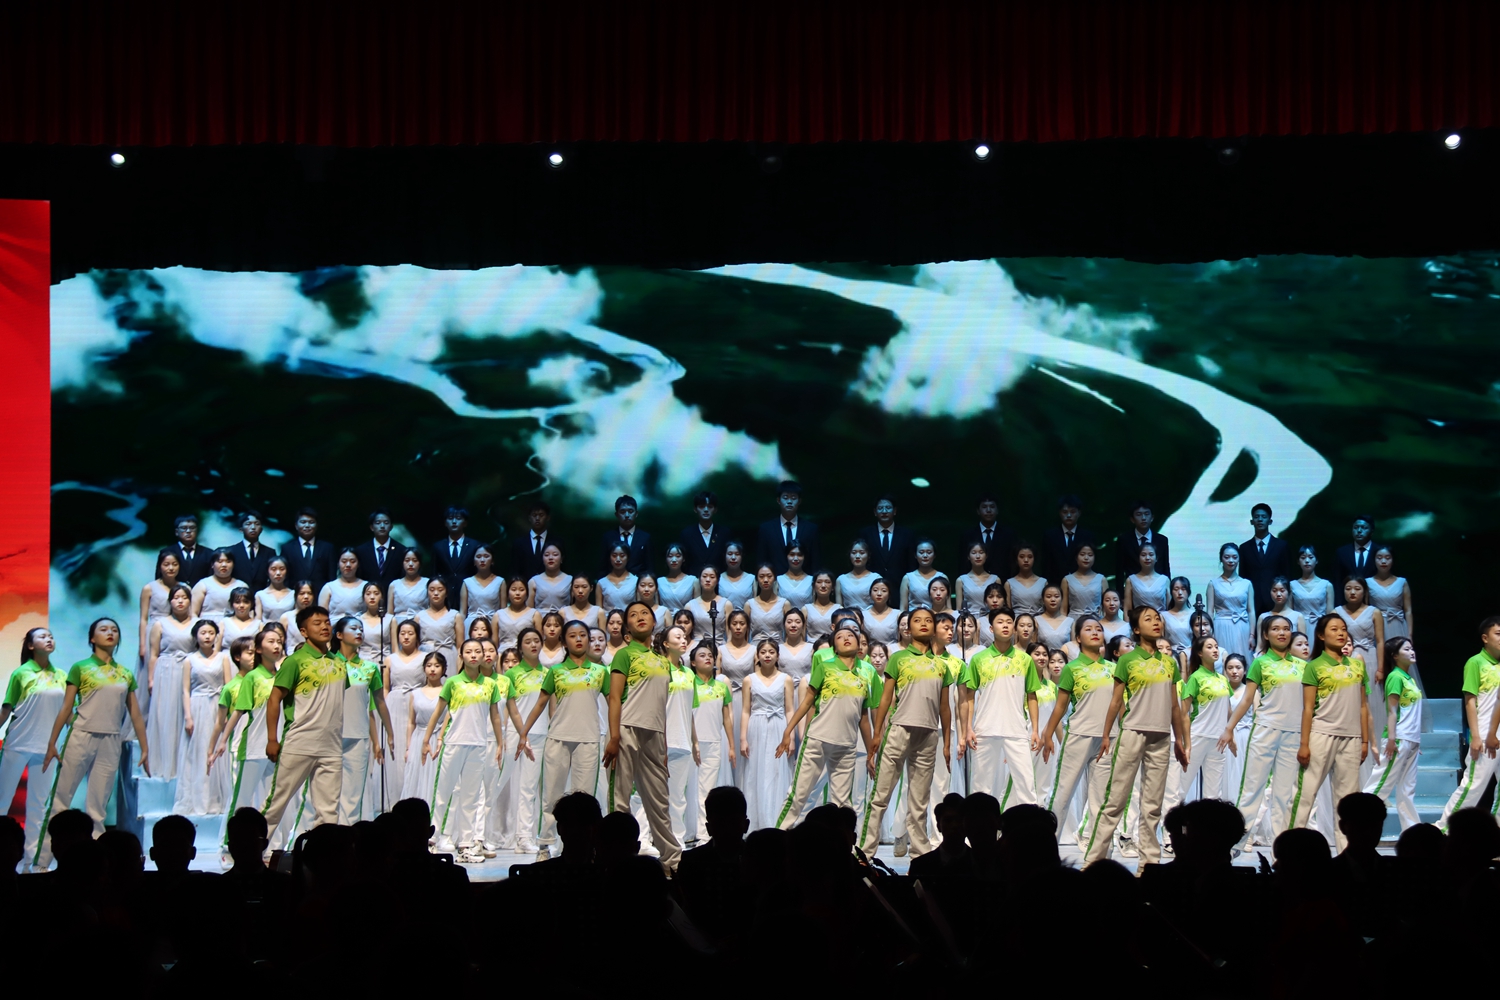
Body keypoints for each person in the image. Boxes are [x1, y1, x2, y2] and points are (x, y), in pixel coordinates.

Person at [35, 619, 150, 867]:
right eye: (103, 629)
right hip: (81, 736)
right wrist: (52, 742)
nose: (110, 633)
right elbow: (66, 708)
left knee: (97, 808)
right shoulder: (81, 668)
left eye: (114, 630)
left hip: (110, 740)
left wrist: (145, 747)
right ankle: (40, 863)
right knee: (60, 801)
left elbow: (135, 713)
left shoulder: (125, 673)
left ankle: (97, 863)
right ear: (92, 638)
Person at [1083, 607, 1189, 866]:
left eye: (1157, 618)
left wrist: (1179, 741)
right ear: (1137, 630)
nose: (1156, 622)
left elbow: (1174, 706)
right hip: (1132, 733)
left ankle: (1149, 864)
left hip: (1161, 737)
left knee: (1152, 805)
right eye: (1148, 619)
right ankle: (1094, 861)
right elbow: (1115, 701)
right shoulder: (1127, 660)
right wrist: (1106, 735)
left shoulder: (1169, 662)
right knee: (1115, 801)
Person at [860, 606, 950, 858]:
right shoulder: (898, 658)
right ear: (908, 629)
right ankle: (865, 852)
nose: (923, 624)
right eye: (917, 620)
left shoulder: (942, 665)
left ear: (934, 628)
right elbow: (885, 698)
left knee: (919, 801)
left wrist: (946, 742)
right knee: (881, 795)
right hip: (899, 729)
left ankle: (920, 854)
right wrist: (877, 733)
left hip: (929, 734)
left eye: (928, 620)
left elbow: (945, 707)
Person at [514, 620, 608, 860]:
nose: (579, 639)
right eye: (573, 636)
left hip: (588, 740)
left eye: (583, 635)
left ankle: (585, 846)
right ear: (564, 642)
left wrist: (616, 734)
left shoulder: (600, 672)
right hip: (557, 738)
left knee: (585, 798)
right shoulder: (555, 671)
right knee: (552, 795)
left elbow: (614, 702)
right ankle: (545, 845)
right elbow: (540, 704)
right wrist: (523, 733)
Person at [604, 602, 682, 871]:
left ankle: (672, 860)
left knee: (659, 799)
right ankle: (618, 859)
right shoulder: (624, 655)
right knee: (620, 799)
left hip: (655, 734)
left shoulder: (663, 661)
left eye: (645, 613)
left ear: (654, 622)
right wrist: (614, 737)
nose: (640, 617)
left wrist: (664, 747)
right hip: (626, 729)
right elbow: (615, 697)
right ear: (627, 626)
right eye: (633, 615)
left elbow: (661, 706)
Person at [775, 621, 879, 825]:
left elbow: (864, 716)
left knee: (842, 803)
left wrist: (870, 752)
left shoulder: (868, 672)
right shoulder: (825, 667)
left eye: (851, 636)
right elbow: (807, 702)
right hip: (817, 740)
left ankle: (841, 842)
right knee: (798, 795)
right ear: (834, 648)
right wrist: (788, 731)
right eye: (840, 637)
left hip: (846, 746)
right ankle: (779, 836)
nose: (846, 638)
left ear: (859, 644)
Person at [260, 606, 345, 852]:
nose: (325, 626)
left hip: (331, 746)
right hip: (298, 743)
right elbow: (274, 699)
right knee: (276, 802)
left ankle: (323, 857)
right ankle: (250, 850)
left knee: (328, 810)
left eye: (327, 622)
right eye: (317, 623)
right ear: (304, 631)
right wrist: (272, 739)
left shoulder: (339, 663)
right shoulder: (295, 661)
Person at [1219, 614, 1305, 849]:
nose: (1282, 633)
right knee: (1252, 791)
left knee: (1283, 796)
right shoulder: (1260, 663)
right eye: (1275, 629)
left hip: (1294, 734)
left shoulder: (1303, 666)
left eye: (1286, 628)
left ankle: (1281, 851)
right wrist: (1229, 728)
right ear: (1266, 635)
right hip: (1265, 730)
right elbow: (1247, 700)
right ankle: (1234, 847)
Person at [1290, 614, 1372, 851]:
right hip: (1321, 735)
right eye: (1334, 629)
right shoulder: (1314, 666)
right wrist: (1304, 744)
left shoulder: (1357, 665)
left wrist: (1364, 741)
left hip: (1352, 738)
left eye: (1343, 629)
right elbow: (1307, 709)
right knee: (1305, 794)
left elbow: (1363, 706)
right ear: (1321, 635)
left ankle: (1347, 853)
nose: (1340, 633)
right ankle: (1288, 850)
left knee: (1347, 801)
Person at [424, 638, 508, 862]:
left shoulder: (490, 685)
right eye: (468, 652)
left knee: (470, 799)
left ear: (483, 656)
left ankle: (465, 846)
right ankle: (432, 841)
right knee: (443, 794)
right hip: (453, 743)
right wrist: (427, 739)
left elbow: (496, 716)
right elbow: (438, 712)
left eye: (477, 651)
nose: (473, 655)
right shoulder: (453, 682)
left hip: (478, 746)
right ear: (461, 656)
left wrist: (500, 743)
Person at [1038, 616, 1112, 843]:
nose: (1095, 632)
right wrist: (1047, 734)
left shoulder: (1114, 668)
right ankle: (1047, 845)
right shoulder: (1072, 668)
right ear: (1078, 638)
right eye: (1088, 629)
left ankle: (1095, 848)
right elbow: (1061, 706)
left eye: (1098, 629)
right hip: (1078, 736)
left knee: (1101, 798)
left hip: (1108, 739)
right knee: (1062, 793)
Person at [959, 607, 1043, 806]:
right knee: (981, 787)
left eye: (1008, 622)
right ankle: (978, 826)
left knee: (1026, 785)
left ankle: (1028, 825)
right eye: (1000, 622)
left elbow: (1032, 696)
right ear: (991, 628)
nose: (1005, 625)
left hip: (1017, 730)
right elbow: (969, 697)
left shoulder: (1025, 659)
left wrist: (1035, 730)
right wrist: (968, 728)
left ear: (1014, 628)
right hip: (985, 729)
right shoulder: (979, 659)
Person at [0, 629, 68, 865]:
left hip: (47, 749)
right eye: (42, 637)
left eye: (51, 636)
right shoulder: (21, 673)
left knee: (38, 806)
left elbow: (67, 714)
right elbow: (7, 708)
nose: (49, 639)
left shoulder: (61, 675)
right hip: (17, 744)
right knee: (2, 801)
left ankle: (31, 861)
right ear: (30, 645)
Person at [1437, 617, 1500, 829]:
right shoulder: (1476, 662)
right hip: (1484, 731)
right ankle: (1444, 828)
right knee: (1474, 784)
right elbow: (1470, 701)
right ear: (1485, 638)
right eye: (1498, 634)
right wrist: (1475, 736)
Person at [333, 617, 395, 823]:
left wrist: (390, 733)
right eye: (353, 628)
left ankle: (348, 834)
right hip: (329, 735)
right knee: (326, 790)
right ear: (339, 635)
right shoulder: (328, 664)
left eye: (361, 629)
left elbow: (379, 702)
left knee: (353, 793)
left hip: (358, 737)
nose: (359, 632)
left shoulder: (370, 668)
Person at [1362, 636, 1422, 831]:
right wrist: (1392, 739)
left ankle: (1412, 831)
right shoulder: (1395, 677)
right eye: (1406, 649)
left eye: (1411, 648)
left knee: (1407, 789)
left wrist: (1414, 740)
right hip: (1398, 739)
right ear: (1395, 656)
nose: (1411, 652)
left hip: (1411, 739)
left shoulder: (1409, 678)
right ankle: (1357, 820)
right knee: (1380, 784)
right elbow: (1392, 711)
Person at [173, 619, 230, 816]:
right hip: (197, 706)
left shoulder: (223, 657)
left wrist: (226, 712)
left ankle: (214, 799)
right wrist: (188, 716)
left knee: (216, 751)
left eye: (211, 633)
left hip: (218, 706)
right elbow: (185, 690)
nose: (207, 636)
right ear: (196, 636)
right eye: (203, 632)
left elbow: (228, 687)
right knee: (196, 751)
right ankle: (197, 798)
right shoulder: (189, 660)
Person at [503, 628, 550, 853]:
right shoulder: (512, 675)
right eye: (528, 641)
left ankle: (527, 837)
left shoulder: (549, 673)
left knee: (532, 789)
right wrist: (523, 734)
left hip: (542, 736)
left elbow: (551, 708)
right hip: (518, 735)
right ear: (520, 647)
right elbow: (512, 709)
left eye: (536, 641)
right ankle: (486, 835)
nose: (533, 645)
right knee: (505, 784)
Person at [1173, 635, 1232, 806]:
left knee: (1214, 793)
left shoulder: (1223, 679)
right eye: (1209, 647)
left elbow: (1228, 710)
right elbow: (1184, 713)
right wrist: (1187, 744)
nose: (1215, 650)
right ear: (1199, 653)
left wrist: (1231, 734)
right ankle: (1171, 821)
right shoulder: (1195, 677)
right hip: (1198, 735)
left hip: (1218, 740)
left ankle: (1209, 823)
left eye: (1216, 646)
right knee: (1181, 786)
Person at [740, 639, 793, 830]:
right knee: (756, 772)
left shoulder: (786, 679)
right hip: (757, 727)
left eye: (771, 652)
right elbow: (745, 710)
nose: (767, 655)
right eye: (763, 652)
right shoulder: (749, 680)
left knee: (777, 772)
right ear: (757, 656)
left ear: (778, 655)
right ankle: (757, 823)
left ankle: (778, 822)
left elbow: (789, 710)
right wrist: (743, 738)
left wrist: (790, 736)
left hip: (779, 726)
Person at [690, 640, 734, 841]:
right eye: (702, 655)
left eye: (710, 655)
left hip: (714, 743)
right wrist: (693, 741)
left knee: (707, 790)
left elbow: (726, 719)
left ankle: (703, 833)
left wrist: (731, 746)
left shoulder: (721, 686)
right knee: (688, 789)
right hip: (692, 743)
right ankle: (685, 831)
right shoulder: (688, 684)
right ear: (693, 662)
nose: (708, 658)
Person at [400, 653, 447, 807]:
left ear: (444, 669)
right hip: (419, 739)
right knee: (416, 778)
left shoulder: (447, 691)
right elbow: (411, 722)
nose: (432, 669)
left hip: (440, 739)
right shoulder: (415, 693)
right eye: (429, 666)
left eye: (437, 666)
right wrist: (408, 747)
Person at [755, 480, 820, 575]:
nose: (789, 501)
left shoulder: (811, 529)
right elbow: (761, 560)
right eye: (785, 498)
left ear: (799, 501)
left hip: (804, 581)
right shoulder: (766, 529)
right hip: (774, 581)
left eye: (793, 498)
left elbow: (815, 562)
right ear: (778, 500)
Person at [1238, 502, 1292, 614]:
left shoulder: (1281, 546)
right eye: (1256, 517)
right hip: (1253, 604)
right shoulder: (1244, 548)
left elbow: (1286, 575)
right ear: (1252, 521)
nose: (1260, 520)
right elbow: (1243, 578)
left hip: (1276, 602)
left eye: (1263, 517)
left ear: (1270, 521)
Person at [1206, 543, 1254, 661]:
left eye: (1234, 557)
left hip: (1242, 626)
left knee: (1243, 660)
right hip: (1221, 626)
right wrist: (1210, 634)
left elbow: (1251, 611)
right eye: (1227, 557)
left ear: (1239, 559)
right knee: (1223, 659)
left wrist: (1252, 635)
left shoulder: (1246, 583)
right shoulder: (1213, 584)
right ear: (1221, 559)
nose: (1231, 561)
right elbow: (1210, 612)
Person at [960, 493, 1018, 582]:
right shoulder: (968, 535)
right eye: (984, 507)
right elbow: (962, 563)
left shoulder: (1008, 535)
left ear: (997, 510)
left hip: (1002, 583)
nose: (988, 510)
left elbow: (1013, 563)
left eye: (992, 506)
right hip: (974, 583)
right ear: (978, 511)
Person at [1042, 494, 1098, 585]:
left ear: (1079, 513)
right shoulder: (1050, 536)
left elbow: (1093, 564)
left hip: (1082, 584)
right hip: (1056, 585)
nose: (1068, 515)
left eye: (1072, 512)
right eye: (1065, 512)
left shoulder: (1088, 536)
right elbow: (1046, 565)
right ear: (1060, 513)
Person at [858, 494, 916, 583]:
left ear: (895, 511)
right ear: (875, 512)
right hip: (871, 585)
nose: (884, 511)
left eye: (888, 508)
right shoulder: (865, 534)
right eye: (880, 508)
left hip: (900, 585)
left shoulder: (906, 534)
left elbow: (911, 563)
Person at [281, 507, 338, 597]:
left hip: (321, 597)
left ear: (316, 525)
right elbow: (285, 578)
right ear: (296, 525)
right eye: (303, 522)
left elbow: (331, 577)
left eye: (311, 522)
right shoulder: (287, 549)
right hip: (295, 597)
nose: (307, 525)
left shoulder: (327, 548)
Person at [1114, 501, 1171, 590]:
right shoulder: (1124, 540)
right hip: (1133, 589)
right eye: (1139, 514)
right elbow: (1119, 570)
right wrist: (1120, 594)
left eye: (1147, 514)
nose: (1143, 518)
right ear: (1132, 519)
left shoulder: (1162, 540)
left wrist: (1168, 591)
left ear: (1152, 518)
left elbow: (1165, 568)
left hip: (1158, 589)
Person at [430, 506, 480, 605]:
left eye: (458, 518)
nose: (454, 522)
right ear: (445, 523)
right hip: (444, 597)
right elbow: (434, 573)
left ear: (465, 523)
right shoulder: (438, 546)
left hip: (469, 597)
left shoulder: (474, 546)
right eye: (450, 518)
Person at [1367, 545, 1412, 642]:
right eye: (1379, 558)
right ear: (1374, 560)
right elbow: (1365, 609)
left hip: (1399, 624)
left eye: (1388, 558)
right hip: (1377, 624)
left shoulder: (1402, 582)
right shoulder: (1368, 582)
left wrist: (1410, 635)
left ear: (1393, 560)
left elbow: (1408, 610)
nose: (1383, 561)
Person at [458, 543, 504, 636]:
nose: (482, 560)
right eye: (478, 557)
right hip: (471, 625)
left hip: (492, 623)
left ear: (492, 560)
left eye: (486, 556)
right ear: (474, 561)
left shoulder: (500, 581)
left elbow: (503, 611)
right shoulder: (467, 582)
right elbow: (462, 612)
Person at [680, 490, 729, 575]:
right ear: (695, 509)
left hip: (719, 580)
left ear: (715, 509)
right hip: (694, 580)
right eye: (702, 506)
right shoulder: (686, 534)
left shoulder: (724, 533)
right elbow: (683, 563)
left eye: (710, 506)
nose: (706, 510)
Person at [1254, 577, 1308, 654]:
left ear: (1289, 592)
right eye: (1274, 591)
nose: (1278, 594)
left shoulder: (1298, 616)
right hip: (1269, 659)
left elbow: (1302, 643)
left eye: (1282, 591)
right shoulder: (1263, 617)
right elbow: (1260, 646)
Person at [191, 548, 247, 618]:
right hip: (206, 623)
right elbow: (193, 613)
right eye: (220, 561)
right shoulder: (202, 585)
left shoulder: (242, 586)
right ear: (212, 564)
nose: (224, 565)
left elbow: (249, 613)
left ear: (233, 564)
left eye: (228, 561)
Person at [508, 499, 554, 581]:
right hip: (525, 586)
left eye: (541, 515)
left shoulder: (556, 542)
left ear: (548, 518)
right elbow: (515, 570)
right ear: (529, 518)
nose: (537, 518)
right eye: (534, 515)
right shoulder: (519, 543)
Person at [318, 548, 368, 621]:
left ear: (358, 564)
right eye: (344, 561)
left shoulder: (366, 586)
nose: (348, 565)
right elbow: (321, 616)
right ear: (338, 564)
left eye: (352, 561)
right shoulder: (328, 587)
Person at [746, 564, 791, 642]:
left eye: (769, 576)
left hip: (778, 646)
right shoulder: (749, 605)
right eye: (761, 576)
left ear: (775, 578)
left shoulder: (784, 604)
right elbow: (745, 634)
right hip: (756, 646)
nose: (766, 580)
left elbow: (789, 634)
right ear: (756, 579)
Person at [1291, 545, 1335, 619]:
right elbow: (1290, 613)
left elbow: (1330, 615)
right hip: (1300, 624)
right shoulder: (1292, 585)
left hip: (1321, 624)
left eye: (1311, 557)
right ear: (1298, 561)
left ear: (1316, 560)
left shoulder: (1327, 585)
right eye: (1303, 558)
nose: (1307, 561)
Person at [1061, 544, 1103, 620]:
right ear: (1076, 557)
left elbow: (1105, 608)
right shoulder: (1067, 580)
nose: (1086, 558)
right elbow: (1063, 610)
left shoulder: (1101, 579)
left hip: (1096, 620)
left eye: (1090, 555)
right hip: (1074, 621)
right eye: (1082, 554)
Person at [1123, 543, 1169, 613]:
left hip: (1160, 619)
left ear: (1156, 558)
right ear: (1138, 558)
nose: (1147, 558)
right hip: (1139, 619)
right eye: (1143, 555)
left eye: (1151, 555)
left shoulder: (1165, 580)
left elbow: (1170, 609)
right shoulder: (1130, 580)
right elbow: (1127, 609)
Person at [528, 542, 571, 615]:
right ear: (542, 558)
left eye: (555, 554)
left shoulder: (570, 580)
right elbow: (529, 610)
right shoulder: (533, 581)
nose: (550, 558)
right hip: (540, 620)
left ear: (561, 558)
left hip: (563, 619)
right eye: (546, 555)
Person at [595, 542, 638, 614]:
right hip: (608, 620)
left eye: (622, 556)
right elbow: (599, 612)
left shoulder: (635, 581)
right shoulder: (601, 583)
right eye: (614, 556)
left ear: (628, 557)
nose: (618, 559)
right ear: (609, 557)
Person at [1334, 515, 1378, 586]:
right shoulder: (1342, 552)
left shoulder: (1379, 551)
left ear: (1372, 531)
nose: (1359, 531)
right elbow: (1337, 580)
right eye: (1356, 527)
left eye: (1364, 527)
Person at [387, 550, 431, 620]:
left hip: (421, 621)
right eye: (407, 560)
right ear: (402, 563)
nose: (410, 564)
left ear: (420, 563)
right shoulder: (394, 584)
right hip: (398, 623)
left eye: (415, 560)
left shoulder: (427, 583)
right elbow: (389, 613)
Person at [835, 540, 877, 611]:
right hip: (848, 616)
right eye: (854, 553)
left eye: (862, 553)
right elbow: (839, 607)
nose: (857, 556)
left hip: (870, 616)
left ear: (868, 556)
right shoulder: (841, 579)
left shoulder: (875, 578)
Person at [899, 540, 940, 612]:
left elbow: (947, 608)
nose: (925, 556)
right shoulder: (907, 578)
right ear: (915, 555)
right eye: (921, 552)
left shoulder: (941, 577)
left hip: (936, 617)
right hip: (913, 616)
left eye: (929, 552)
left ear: (934, 555)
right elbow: (903, 608)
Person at [775, 542, 813, 611]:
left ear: (804, 557)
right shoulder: (778, 580)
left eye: (799, 555)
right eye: (792, 554)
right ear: (786, 556)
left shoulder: (811, 580)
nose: (795, 558)